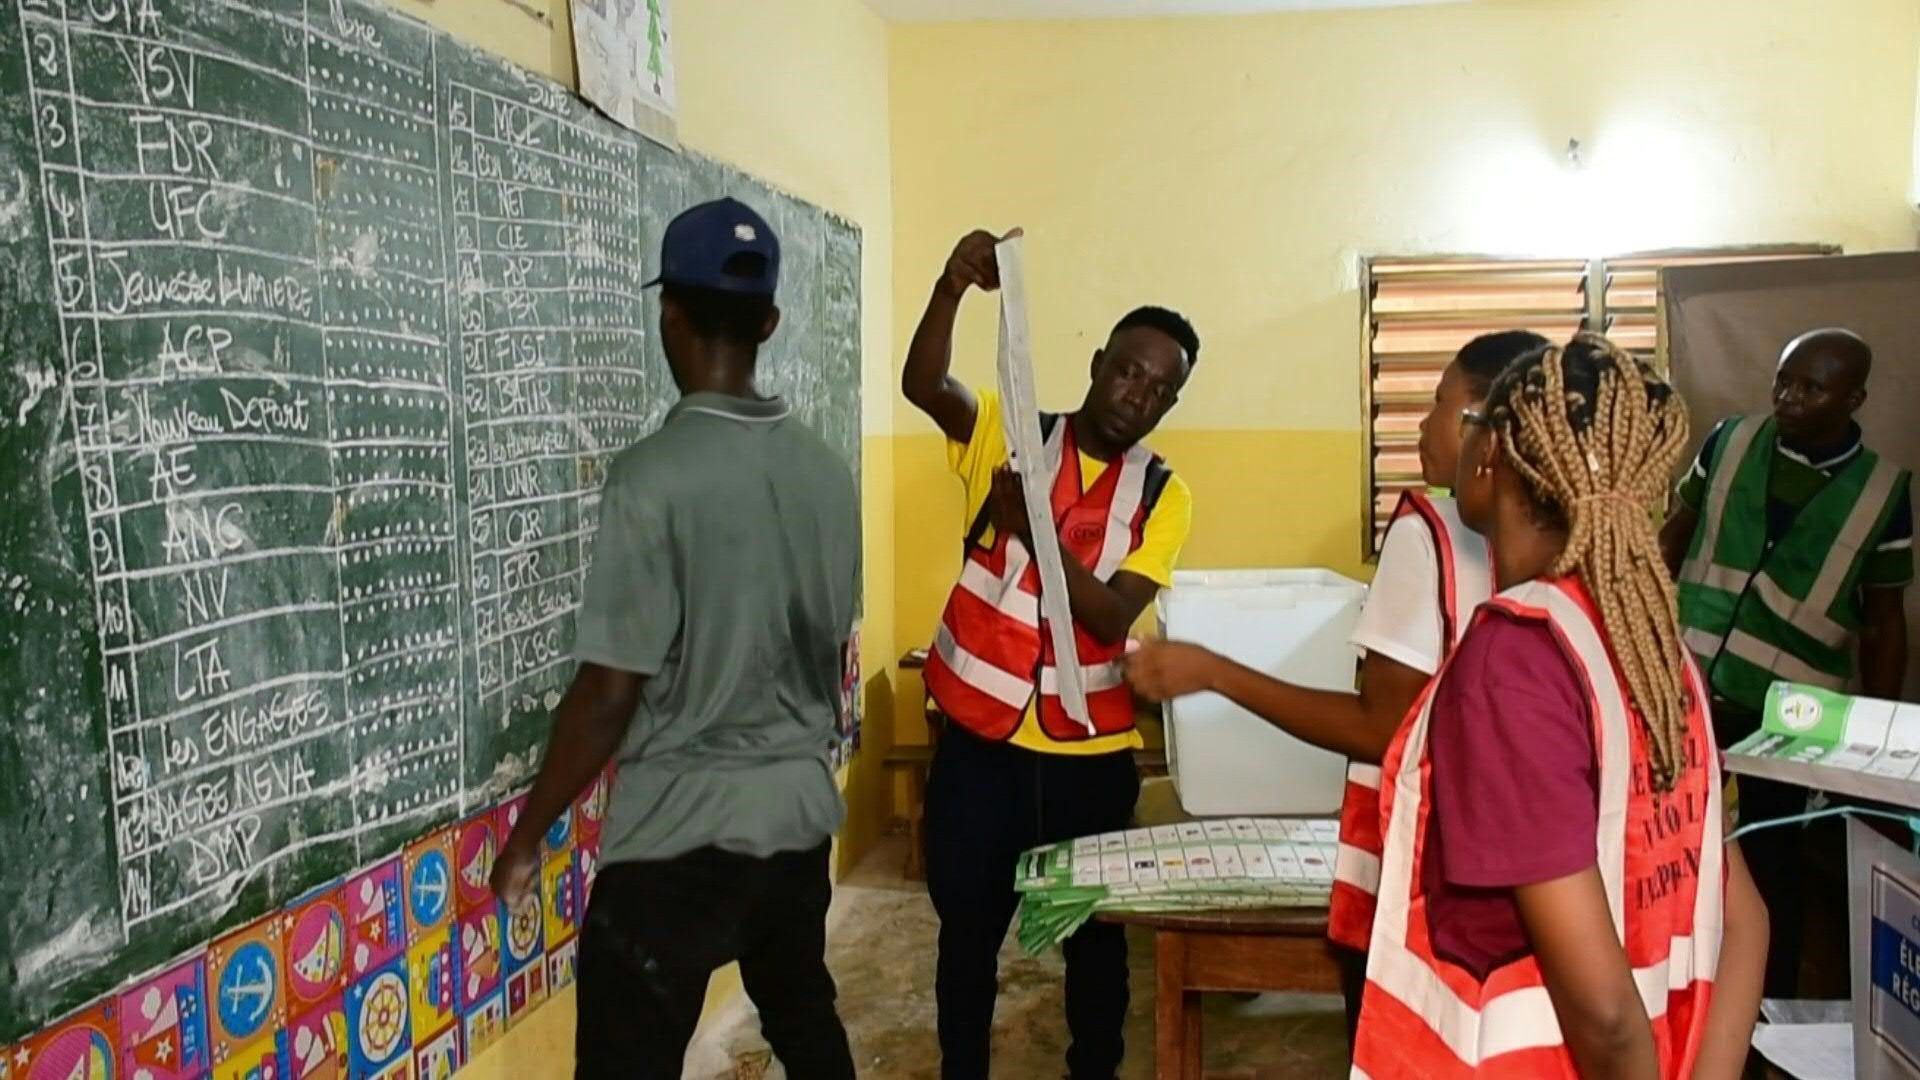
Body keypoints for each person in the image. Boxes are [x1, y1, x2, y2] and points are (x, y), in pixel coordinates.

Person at [490, 198, 860, 1080]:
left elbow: (609, 691)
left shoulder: (650, 478)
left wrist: (527, 835)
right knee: (803, 1014)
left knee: (628, 1057)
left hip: (680, 835)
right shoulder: (826, 471)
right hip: (797, 817)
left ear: (669, 315)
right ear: (769, 322)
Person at [1353, 334, 1767, 1078]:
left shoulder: (1514, 662)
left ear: (1489, 456)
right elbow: (1746, 920)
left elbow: (1604, 1014)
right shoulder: (1651, 645)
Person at [1124, 329, 1548, 1046]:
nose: (1422, 425)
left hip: (1427, 879)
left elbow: (1383, 727)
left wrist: (1212, 671)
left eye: (1440, 405)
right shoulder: (1571, 541)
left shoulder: (1427, 534)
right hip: (1529, 874)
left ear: (1488, 430)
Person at [905, 227, 1198, 1079]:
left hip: (1088, 763)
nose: (1138, 395)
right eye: (1129, 371)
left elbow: (1108, 617)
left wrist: (1033, 527)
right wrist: (951, 285)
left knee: (1095, 951)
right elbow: (923, 385)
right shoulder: (1011, 431)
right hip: (980, 751)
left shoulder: (1164, 494)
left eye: (1160, 389)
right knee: (967, 942)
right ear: (1099, 363)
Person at [1659, 326, 1912, 996]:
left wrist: (1875, 742)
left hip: (1789, 719)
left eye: (1811, 387)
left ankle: (1767, 1011)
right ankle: (1674, 993)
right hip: (1688, 690)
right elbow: (1672, 541)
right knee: (1669, 849)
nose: (1789, 397)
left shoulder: (1882, 494)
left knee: (1771, 868)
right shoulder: (1730, 442)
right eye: (1783, 380)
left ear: (1853, 399)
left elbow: (1885, 622)